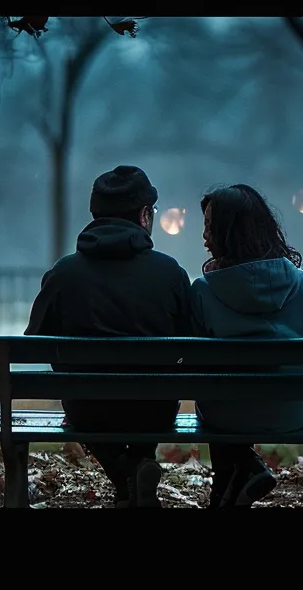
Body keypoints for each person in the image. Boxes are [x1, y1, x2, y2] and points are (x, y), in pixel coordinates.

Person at [26, 165, 193, 508]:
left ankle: (126, 476)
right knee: (153, 390)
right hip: (154, 410)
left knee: (85, 400)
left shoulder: (64, 273)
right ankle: (135, 473)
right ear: (145, 215)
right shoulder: (170, 273)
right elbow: (191, 346)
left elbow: (34, 342)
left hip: (88, 409)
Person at [189, 184, 303, 508]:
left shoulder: (204, 292)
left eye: (210, 226)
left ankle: (233, 478)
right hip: (291, 411)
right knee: (234, 392)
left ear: (228, 232)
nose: (204, 236)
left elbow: (193, 359)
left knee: (224, 393)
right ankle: (230, 487)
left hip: (225, 415)